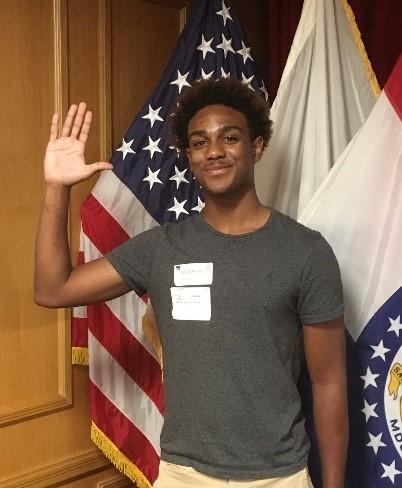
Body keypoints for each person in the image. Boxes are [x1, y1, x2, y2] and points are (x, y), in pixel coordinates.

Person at [35, 78, 348, 488]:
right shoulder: (162, 248)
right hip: (182, 475)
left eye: (229, 137)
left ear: (256, 146)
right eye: (199, 142)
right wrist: (57, 188)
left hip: (277, 477)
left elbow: (329, 383)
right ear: (189, 156)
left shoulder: (305, 252)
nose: (214, 151)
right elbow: (53, 289)